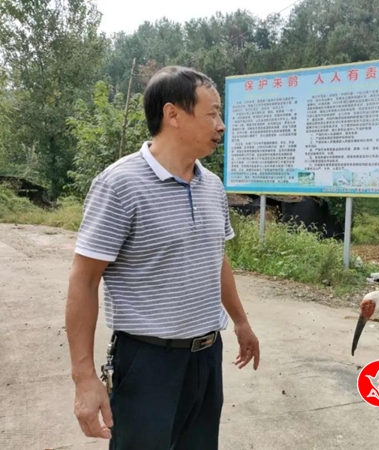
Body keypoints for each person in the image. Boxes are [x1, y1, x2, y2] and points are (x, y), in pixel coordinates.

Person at [64, 66, 260, 450]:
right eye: (212, 114)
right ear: (173, 114)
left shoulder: (211, 186)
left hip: (206, 357)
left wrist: (240, 321)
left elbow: (215, 258)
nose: (221, 126)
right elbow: (84, 280)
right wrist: (83, 378)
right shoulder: (120, 184)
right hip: (147, 362)